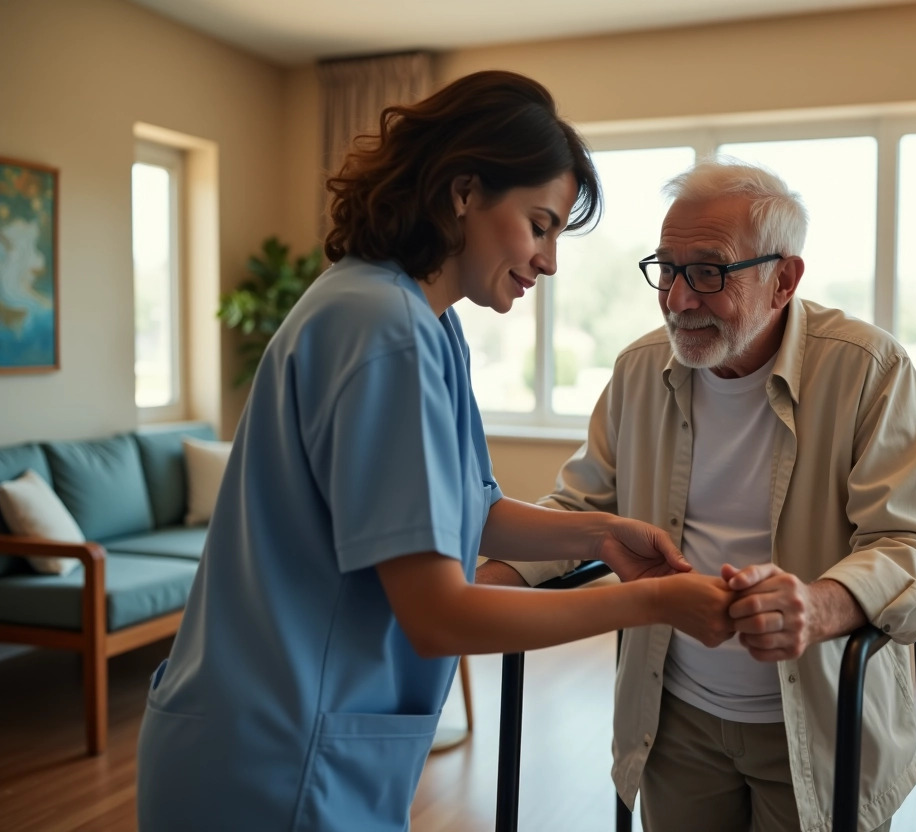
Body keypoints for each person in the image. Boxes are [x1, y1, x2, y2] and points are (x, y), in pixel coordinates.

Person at [135, 71, 737, 832]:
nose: (550, 261)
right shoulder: (383, 329)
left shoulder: (419, 318)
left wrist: (601, 533)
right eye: (540, 224)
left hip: (288, 738)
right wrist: (651, 603)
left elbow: (469, 508)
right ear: (463, 192)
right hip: (278, 760)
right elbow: (437, 616)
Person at [479, 160, 916, 832]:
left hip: (816, 722)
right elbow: (580, 512)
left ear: (784, 280)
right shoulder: (639, 371)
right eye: (667, 270)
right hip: (672, 715)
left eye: (709, 272)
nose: (678, 299)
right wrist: (474, 587)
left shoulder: (867, 370)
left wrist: (818, 606)